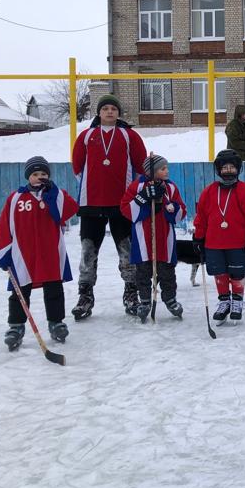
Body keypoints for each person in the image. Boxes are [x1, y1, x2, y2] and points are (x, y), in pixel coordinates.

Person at [70, 93, 147, 320]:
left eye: (114, 108)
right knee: (87, 251)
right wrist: (88, 187)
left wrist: (134, 193)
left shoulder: (129, 135)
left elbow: (141, 165)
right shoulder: (86, 136)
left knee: (127, 250)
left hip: (122, 204)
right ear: (99, 112)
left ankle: (131, 293)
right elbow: (77, 165)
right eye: (105, 109)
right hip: (91, 203)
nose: (110, 112)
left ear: (119, 113)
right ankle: (85, 296)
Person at [0, 156, 79, 351]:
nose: (40, 177)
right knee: (19, 290)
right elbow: (5, 225)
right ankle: (16, 326)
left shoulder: (55, 195)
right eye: (35, 174)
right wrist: (3, 252)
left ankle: (56, 322)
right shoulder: (16, 198)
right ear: (27, 176)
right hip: (23, 254)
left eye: (44, 174)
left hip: (50, 252)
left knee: (54, 289)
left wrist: (53, 191)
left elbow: (70, 209)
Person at [193, 150, 245, 325]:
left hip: (238, 242)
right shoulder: (208, 192)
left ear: (238, 169)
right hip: (214, 242)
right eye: (225, 167)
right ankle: (224, 302)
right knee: (220, 273)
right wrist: (198, 237)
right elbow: (201, 217)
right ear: (218, 170)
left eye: (232, 167)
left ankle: (237, 302)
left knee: (237, 273)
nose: (228, 171)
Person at [120, 153, 187, 322]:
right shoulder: (137, 186)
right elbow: (126, 209)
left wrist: (170, 208)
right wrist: (143, 198)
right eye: (163, 168)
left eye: (167, 168)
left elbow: (181, 209)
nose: (167, 171)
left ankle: (170, 298)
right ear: (152, 171)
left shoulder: (170, 187)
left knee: (167, 271)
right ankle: (144, 301)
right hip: (143, 238)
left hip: (164, 237)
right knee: (143, 272)